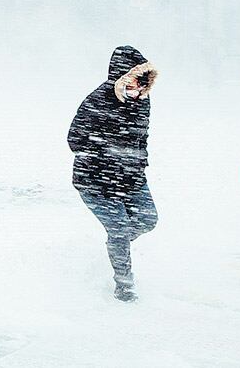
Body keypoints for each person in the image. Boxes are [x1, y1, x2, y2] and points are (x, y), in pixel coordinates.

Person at [68, 45, 160, 302]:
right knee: (119, 228)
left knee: (148, 220)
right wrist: (106, 155)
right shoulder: (98, 101)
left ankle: (116, 245)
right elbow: (74, 139)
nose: (138, 89)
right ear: (120, 77)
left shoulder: (142, 101)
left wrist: (138, 163)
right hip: (95, 182)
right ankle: (124, 285)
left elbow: (142, 138)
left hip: (131, 178)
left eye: (143, 83)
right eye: (133, 82)